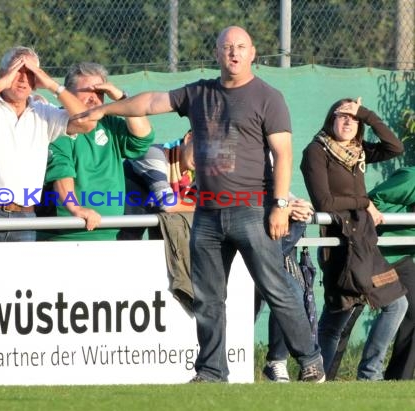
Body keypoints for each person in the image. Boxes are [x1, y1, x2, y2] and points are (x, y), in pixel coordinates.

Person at [73, 25, 325, 382]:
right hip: (206, 214)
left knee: (278, 288)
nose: (234, 53)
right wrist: (106, 110)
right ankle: (211, 372)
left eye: (241, 47)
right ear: (217, 53)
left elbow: (282, 154)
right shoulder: (198, 93)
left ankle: (311, 361)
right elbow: (149, 102)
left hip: (253, 210)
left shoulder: (269, 97)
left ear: (253, 53)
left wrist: (280, 204)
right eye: (227, 47)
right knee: (207, 298)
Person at [300, 97, 407, 381]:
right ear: (331, 119)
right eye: (342, 115)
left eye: (353, 117)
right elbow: (324, 202)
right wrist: (364, 202)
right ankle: (316, 377)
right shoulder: (315, 151)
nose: (348, 121)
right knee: (338, 314)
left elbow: (395, 147)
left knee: (397, 303)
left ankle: (369, 373)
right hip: (340, 247)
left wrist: (367, 115)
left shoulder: (358, 151)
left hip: (366, 248)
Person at [0, 46, 96, 242]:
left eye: (30, 73)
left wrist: (52, 85)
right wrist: (3, 82)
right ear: (3, 73)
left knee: (21, 274)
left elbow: (88, 122)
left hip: (25, 216)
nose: (22, 78)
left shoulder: (44, 112)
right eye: (16, 71)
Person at [39, 62, 154, 241]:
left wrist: (122, 99)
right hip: (66, 234)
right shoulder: (58, 123)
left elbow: (142, 138)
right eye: (88, 92)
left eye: (100, 93)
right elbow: (62, 173)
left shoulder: (109, 123)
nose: (94, 98)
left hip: (109, 230)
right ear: (68, 94)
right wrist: (76, 208)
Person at [255, 197, 318, 382]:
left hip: (270, 239)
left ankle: (278, 361)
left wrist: (296, 204)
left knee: (291, 295)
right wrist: (286, 207)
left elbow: (280, 192)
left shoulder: (269, 171)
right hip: (246, 233)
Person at [369, 166, 415, 380]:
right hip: (377, 256)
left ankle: (399, 379)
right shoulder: (410, 177)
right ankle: (325, 375)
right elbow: (371, 202)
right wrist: (408, 215)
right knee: (348, 313)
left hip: (403, 257)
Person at [118, 129, 195, 241]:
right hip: (112, 232)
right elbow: (168, 204)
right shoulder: (153, 154)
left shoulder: (195, 171)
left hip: (142, 232)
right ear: (189, 138)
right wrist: (199, 208)